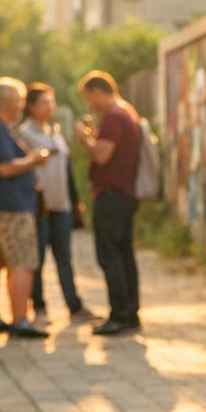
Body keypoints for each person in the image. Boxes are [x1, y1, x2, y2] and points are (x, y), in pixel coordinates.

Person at [0, 76, 50, 338]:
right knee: (23, 261)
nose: (22, 108)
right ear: (11, 103)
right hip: (10, 207)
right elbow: (5, 167)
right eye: (21, 102)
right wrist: (33, 160)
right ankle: (20, 320)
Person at [74, 69, 141, 336]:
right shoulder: (127, 112)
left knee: (110, 255)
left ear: (99, 91)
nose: (89, 105)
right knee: (124, 254)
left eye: (89, 98)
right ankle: (130, 312)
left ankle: (120, 314)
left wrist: (84, 138)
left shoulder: (114, 116)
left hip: (112, 194)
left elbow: (102, 156)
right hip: (124, 193)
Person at [15, 83, 89, 321]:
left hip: (62, 204)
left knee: (64, 257)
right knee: (37, 259)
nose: (50, 106)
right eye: (45, 102)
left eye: (52, 101)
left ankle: (74, 306)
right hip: (39, 206)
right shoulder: (24, 134)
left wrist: (76, 199)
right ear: (32, 106)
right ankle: (39, 307)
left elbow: (66, 169)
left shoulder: (55, 131)